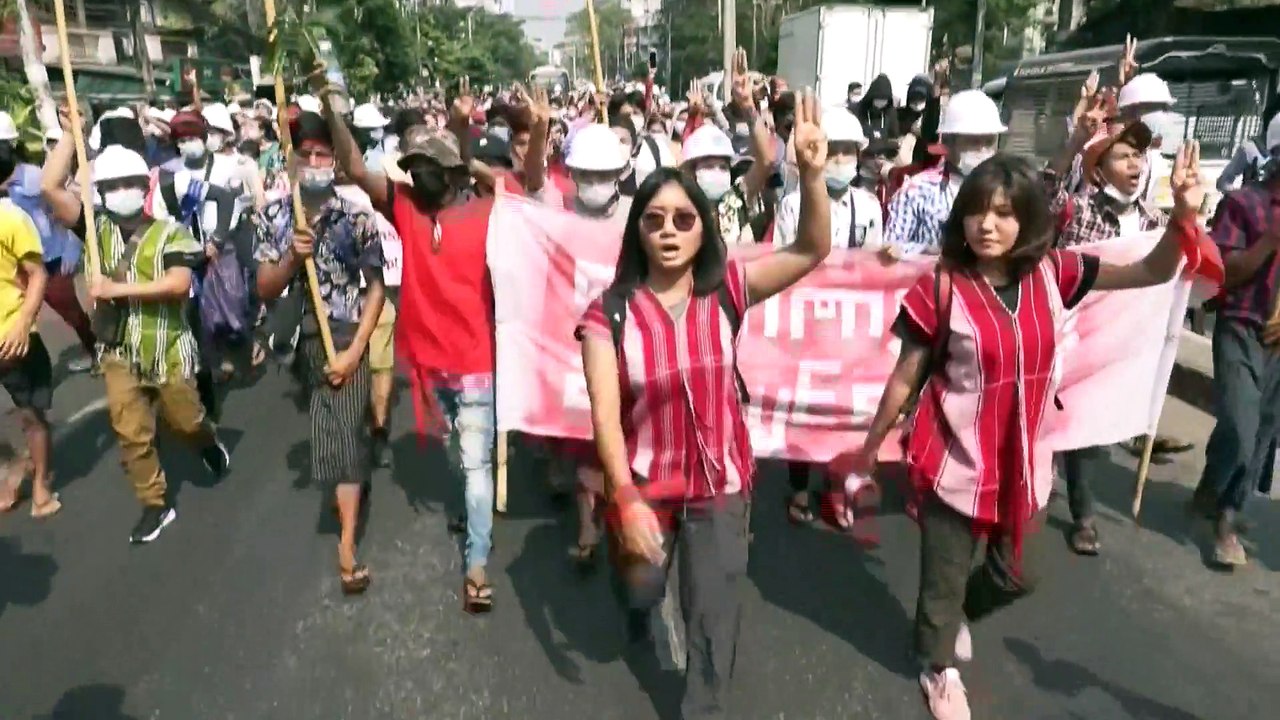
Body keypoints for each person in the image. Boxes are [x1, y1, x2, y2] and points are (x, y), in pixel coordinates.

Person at [848, 147, 1205, 720]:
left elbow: (1153, 271)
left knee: (1019, 574)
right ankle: (937, 667)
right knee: (942, 581)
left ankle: (954, 617)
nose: (987, 225)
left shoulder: (1057, 273)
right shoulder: (940, 290)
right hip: (954, 463)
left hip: (1025, 466)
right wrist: (869, 450)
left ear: (1028, 220)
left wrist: (1183, 217)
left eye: (1004, 213)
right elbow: (904, 378)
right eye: (976, 212)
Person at [578, 90, 832, 720]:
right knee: (642, 588)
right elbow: (604, 418)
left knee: (714, 617)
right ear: (637, 230)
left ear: (703, 228)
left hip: (721, 486)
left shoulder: (727, 290)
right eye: (655, 220)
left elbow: (811, 250)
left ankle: (704, 708)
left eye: (683, 219)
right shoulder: (607, 315)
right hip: (645, 485)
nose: (669, 231)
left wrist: (812, 175)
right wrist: (625, 498)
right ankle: (635, 605)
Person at [322, 83, 498, 613]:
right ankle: (471, 518)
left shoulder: (491, 212)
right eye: (414, 166)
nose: (420, 174)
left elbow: (524, 188)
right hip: (427, 365)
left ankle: (476, 564)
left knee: (476, 466)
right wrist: (332, 112)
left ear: (453, 174)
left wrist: (464, 137)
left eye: (430, 166)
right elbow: (356, 168)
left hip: (477, 364)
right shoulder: (404, 207)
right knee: (458, 452)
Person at [42, 139, 230, 545]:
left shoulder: (171, 233)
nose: (121, 190)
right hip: (118, 351)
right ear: (101, 192)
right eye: (112, 185)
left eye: (129, 182)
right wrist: (69, 136)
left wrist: (117, 289)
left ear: (145, 186)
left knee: (186, 422)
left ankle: (205, 441)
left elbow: (178, 284)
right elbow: (50, 187)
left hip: (168, 349)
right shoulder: (94, 230)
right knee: (131, 432)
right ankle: (154, 503)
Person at [254, 111, 386, 594]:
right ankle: (349, 482)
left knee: (344, 433)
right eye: (305, 155)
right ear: (292, 160)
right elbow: (265, 289)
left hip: (347, 335)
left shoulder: (356, 217)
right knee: (330, 429)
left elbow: (377, 288)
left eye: (322, 155)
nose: (313, 163)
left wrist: (357, 351)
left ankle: (347, 543)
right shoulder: (273, 217)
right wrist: (293, 257)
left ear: (335, 161)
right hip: (301, 340)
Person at [1044, 108, 1168, 556]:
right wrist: (1074, 143)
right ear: (1098, 167)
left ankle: (1084, 515)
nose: (1135, 165)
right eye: (1122, 156)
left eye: (1139, 156)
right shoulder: (1077, 212)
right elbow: (1042, 197)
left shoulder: (1155, 223)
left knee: (1089, 427)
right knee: (1054, 418)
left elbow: (1174, 266)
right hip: (1068, 337)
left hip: (1120, 344)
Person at [774, 107, 882, 525]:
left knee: (844, 410)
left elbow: (875, 265)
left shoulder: (869, 205)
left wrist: (887, 260)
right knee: (804, 407)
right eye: (832, 150)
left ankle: (837, 486)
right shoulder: (792, 205)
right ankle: (800, 485)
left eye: (847, 152)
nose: (839, 160)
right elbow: (784, 260)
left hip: (851, 326)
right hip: (806, 323)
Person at [1190, 113, 1280, 568]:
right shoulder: (1244, 205)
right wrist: (1270, 241)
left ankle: (1221, 498)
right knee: (1242, 429)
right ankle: (1224, 526)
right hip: (1241, 326)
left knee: (1262, 431)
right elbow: (1224, 271)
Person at [0, 112, 95, 374]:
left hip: (48, 259)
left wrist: (71, 247)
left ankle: (95, 350)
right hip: (13, 265)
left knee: (71, 313)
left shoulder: (33, 178)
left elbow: (63, 212)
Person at [885, 90, 1006, 258]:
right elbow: (891, 250)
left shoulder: (1006, 189)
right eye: (973, 142)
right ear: (948, 142)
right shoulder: (917, 190)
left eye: (989, 142)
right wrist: (927, 252)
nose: (982, 150)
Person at [0, 156, 55, 517]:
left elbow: (37, 274)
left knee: (31, 415)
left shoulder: (10, 218)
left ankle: (40, 487)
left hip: (11, 337)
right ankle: (11, 470)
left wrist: (22, 322)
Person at [854, 73, 901, 141]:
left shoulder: (890, 112)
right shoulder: (859, 110)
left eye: (884, 100)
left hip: (884, 146)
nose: (881, 103)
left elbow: (894, 136)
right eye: (878, 99)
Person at [352, 102, 393, 173]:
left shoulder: (388, 147)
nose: (380, 130)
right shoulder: (354, 150)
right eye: (373, 129)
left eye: (380, 127)